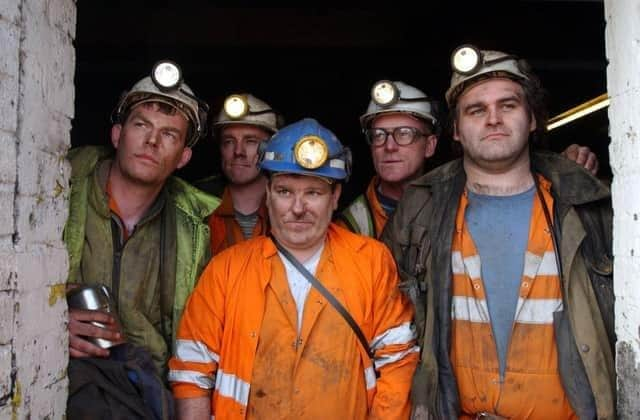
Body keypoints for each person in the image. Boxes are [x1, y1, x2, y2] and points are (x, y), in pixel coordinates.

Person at [382, 45, 615, 419]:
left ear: (533, 119)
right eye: (476, 109)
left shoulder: (589, 205)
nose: (493, 119)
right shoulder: (418, 209)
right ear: (456, 129)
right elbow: (385, 326)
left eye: (507, 105)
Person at [169, 118, 419, 419]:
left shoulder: (371, 261)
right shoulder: (226, 270)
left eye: (313, 193)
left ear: (335, 197)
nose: (298, 207)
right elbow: (191, 373)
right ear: (268, 193)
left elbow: (398, 362)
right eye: (285, 191)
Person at [64, 61, 220, 377]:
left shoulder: (194, 231)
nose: (152, 141)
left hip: (144, 392)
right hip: (56, 381)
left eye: (169, 134)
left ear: (183, 158)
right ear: (117, 135)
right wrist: (48, 319)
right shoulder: (59, 191)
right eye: (141, 125)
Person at [339, 80, 599, 239]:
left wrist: (563, 169)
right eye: (378, 135)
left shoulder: (462, 194)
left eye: (404, 134)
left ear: (430, 145)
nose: (390, 146)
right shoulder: (349, 224)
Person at [195, 93, 282, 255]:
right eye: (229, 141)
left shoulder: (289, 207)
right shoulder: (196, 207)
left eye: (250, 141)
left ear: (271, 149)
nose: (238, 152)